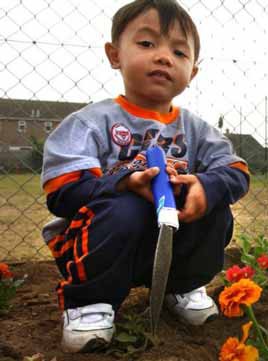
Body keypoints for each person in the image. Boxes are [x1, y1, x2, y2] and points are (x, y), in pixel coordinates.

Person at [40, 0, 249, 353]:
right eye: (147, 43)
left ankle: (180, 285)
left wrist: (207, 186)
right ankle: (89, 302)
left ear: (192, 72)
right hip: (96, 246)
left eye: (179, 52)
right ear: (114, 54)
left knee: (213, 204)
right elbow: (63, 192)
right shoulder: (89, 123)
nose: (164, 57)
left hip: (170, 240)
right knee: (126, 207)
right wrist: (124, 182)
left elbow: (237, 171)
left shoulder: (198, 130)